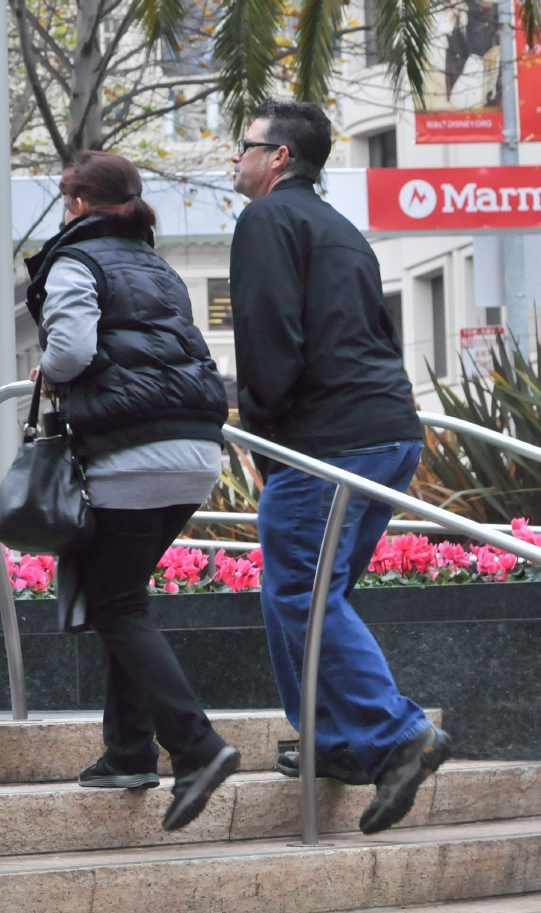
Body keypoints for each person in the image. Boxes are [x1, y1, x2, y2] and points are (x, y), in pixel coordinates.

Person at [229, 100, 450, 834]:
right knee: (303, 590)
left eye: (244, 146)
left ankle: (395, 734)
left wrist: (261, 433)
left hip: (327, 440)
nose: (235, 158)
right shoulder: (340, 229)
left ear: (278, 158)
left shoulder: (267, 220)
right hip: (388, 432)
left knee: (298, 590)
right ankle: (331, 742)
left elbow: (269, 340)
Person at [24, 150, 241, 832]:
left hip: (128, 453)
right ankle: (126, 750)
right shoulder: (156, 265)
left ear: (80, 205)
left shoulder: (74, 260)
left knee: (114, 601)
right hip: (196, 453)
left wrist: (44, 372)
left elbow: (69, 354)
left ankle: (196, 744)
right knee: (126, 597)